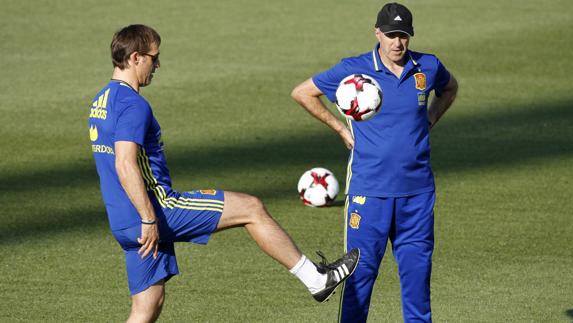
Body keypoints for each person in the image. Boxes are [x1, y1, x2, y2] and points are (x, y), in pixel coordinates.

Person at [88, 24, 360, 323]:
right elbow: (125, 164)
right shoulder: (132, 105)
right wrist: (149, 218)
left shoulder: (102, 100)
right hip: (154, 212)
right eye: (155, 57)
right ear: (136, 57)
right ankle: (316, 279)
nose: (158, 64)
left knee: (147, 307)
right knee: (250, 207)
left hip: (122, 220)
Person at [291, 3, 458, 322]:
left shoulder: (428, 66)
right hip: (369, 195)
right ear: (377, 33)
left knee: (418, 287)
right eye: (392, 35)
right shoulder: (353, 70)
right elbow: (303, 93)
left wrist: (431, 117)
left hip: (418, 196)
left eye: (404, 35)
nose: (398, 42)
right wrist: (340, 128)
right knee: (358, 283)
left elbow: (449, 88)